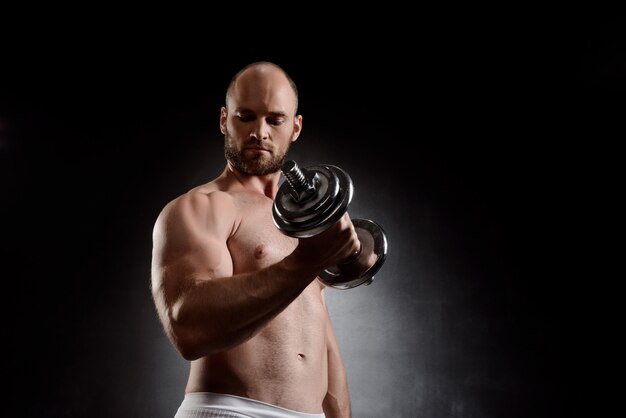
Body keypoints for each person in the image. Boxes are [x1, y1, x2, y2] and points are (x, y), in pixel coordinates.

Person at [150, 61, 363, 418]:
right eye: (245, 116)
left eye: (274, 120)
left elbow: (321, 339)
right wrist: (307, 261)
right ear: (224, 120)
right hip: (231, 410)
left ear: (295, 127)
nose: (259, 132)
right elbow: (187, 326)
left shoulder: (304, 222)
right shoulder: (202, 207)